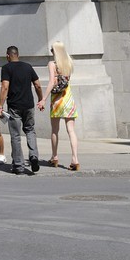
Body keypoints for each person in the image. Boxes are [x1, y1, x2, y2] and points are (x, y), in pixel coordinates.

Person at [0, 45, 43, 175]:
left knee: (16, 136)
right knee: (30, 130)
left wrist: (0, 105)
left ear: (7, 56)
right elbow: (38, 85)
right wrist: (40, 99)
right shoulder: (28, 67)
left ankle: (19, 166)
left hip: (14, 107)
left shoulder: (6, 68)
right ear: (18, 54)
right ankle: (33, 156)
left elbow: (5, 87)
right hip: (29, 105)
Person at [39, 39, 80, 171]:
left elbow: (52, 82)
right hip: (68, 99)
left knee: (55, 130)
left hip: (57, 101)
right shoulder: (69, 63)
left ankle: (55, 157)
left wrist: (43, 99)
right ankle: (75, 159)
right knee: (71, 130)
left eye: (52, 49)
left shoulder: (52, 64)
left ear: (55, 51)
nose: (51, 51)